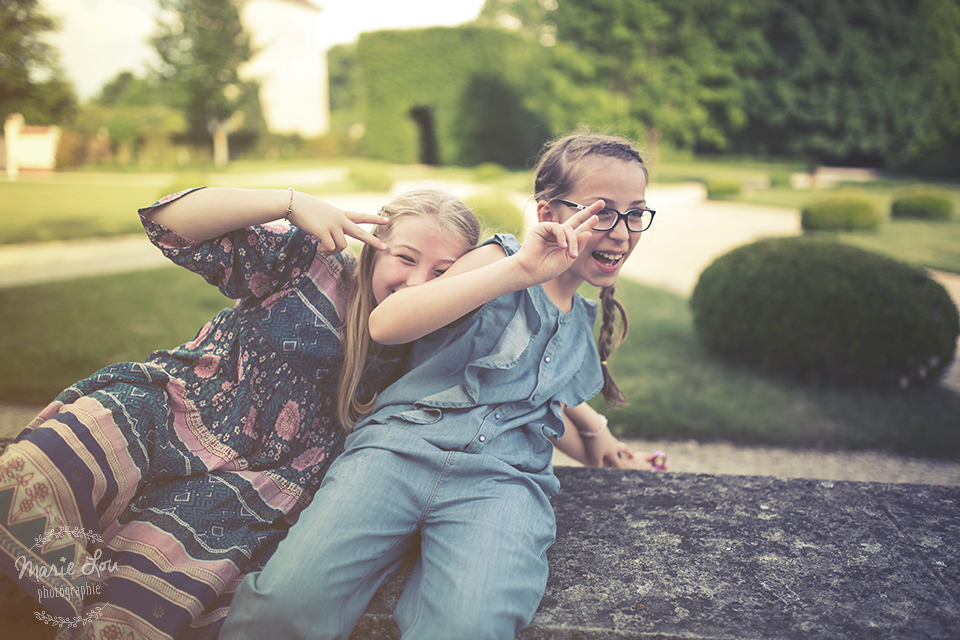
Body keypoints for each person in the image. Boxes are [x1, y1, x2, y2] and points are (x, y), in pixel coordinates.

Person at [220, 131, 657, 640]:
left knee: (470, 623)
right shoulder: (500, 260)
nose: (622, 231)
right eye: (602, 211)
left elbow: (537, 405)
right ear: (548, 214)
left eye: (636, 213)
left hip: (502, 483)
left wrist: (604, 443)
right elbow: (389, 322)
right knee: (285, 607)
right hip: (398, 452)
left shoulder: (582, 327)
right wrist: (520, 271)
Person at [0, 184, 483, 640]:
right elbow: (169, 224)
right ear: (375, 245)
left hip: (257, 482)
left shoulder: (428, 344)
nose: (419, 283)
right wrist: (289, 202)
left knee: (147, 585)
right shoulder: (311, 263)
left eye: (443, 273)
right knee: (35, 477)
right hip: (176, 408)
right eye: (406, 258)